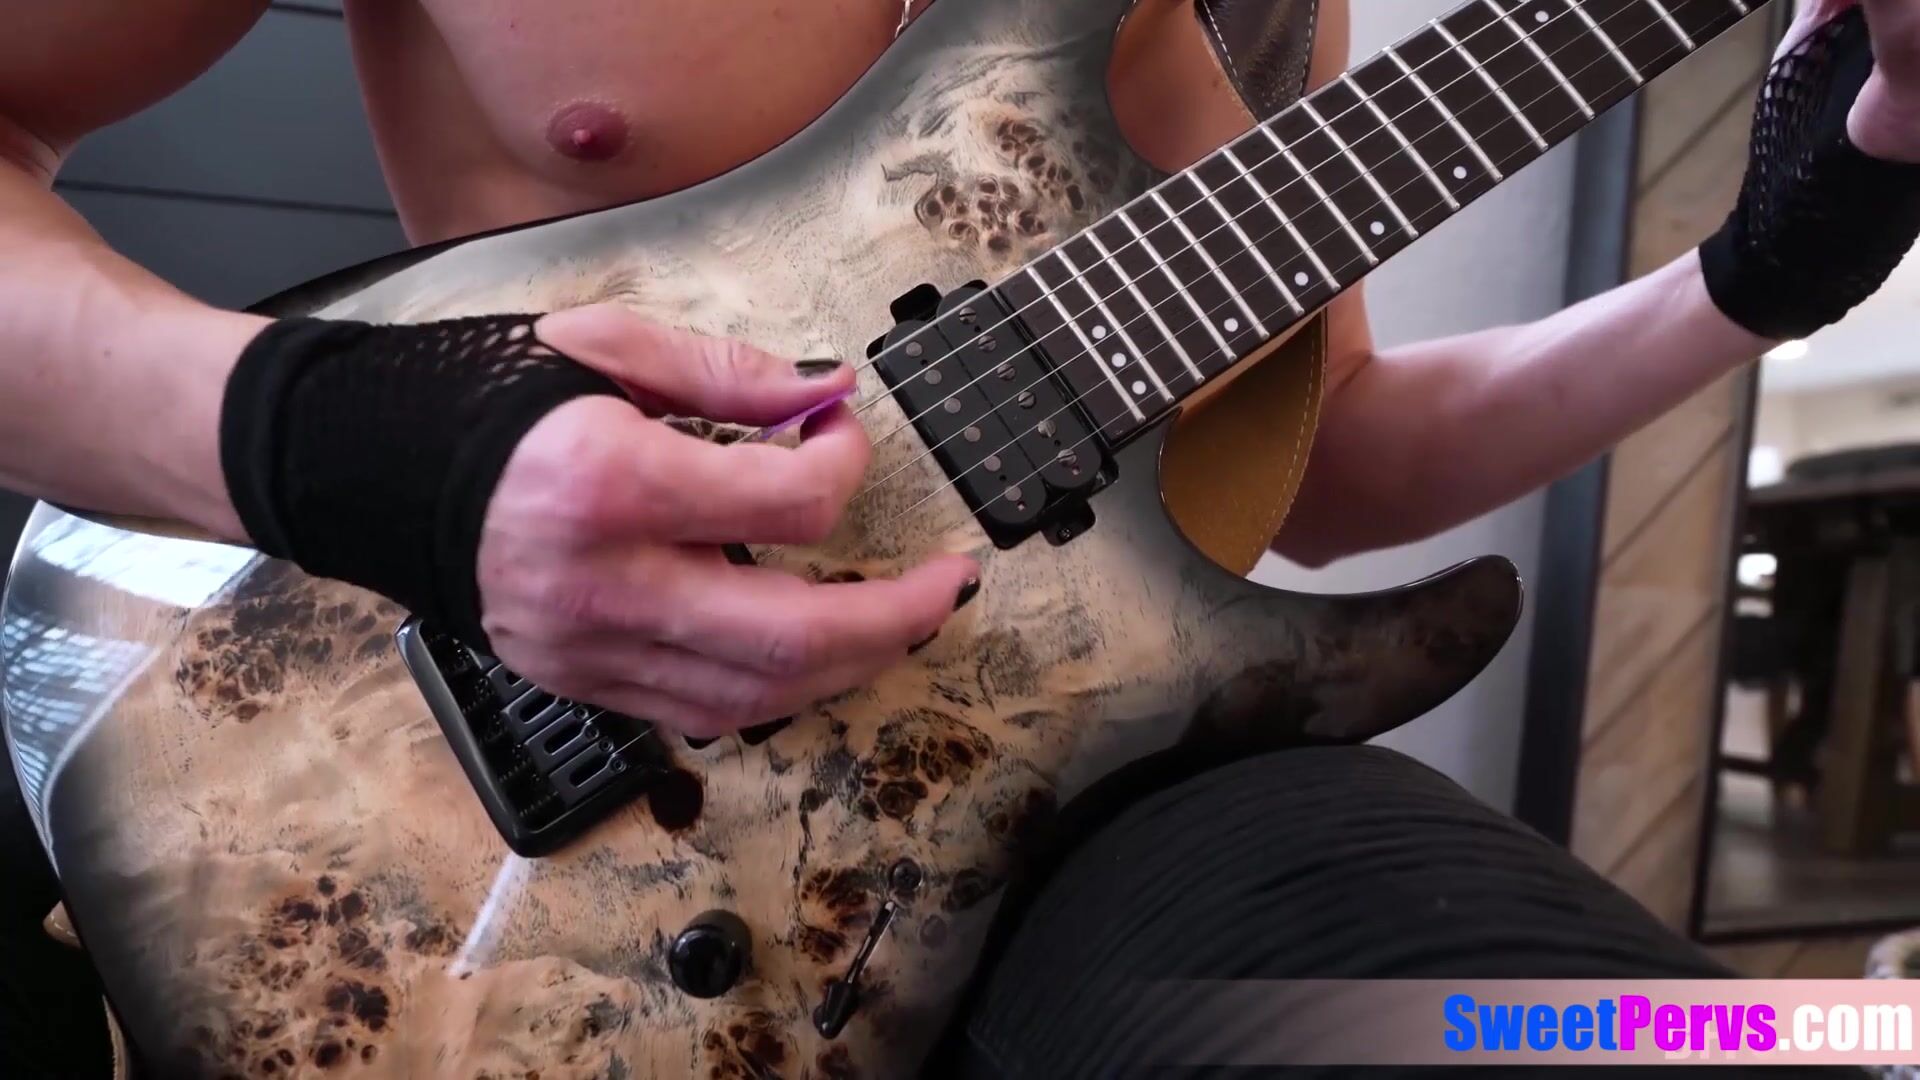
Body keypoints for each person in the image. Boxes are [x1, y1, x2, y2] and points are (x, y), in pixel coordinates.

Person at [0, 0, 1914, 1076]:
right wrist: (354, 445)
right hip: (422, 800)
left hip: (1080, 774)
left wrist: (1767, 266)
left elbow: (1326, 454)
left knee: (1634, 1037)